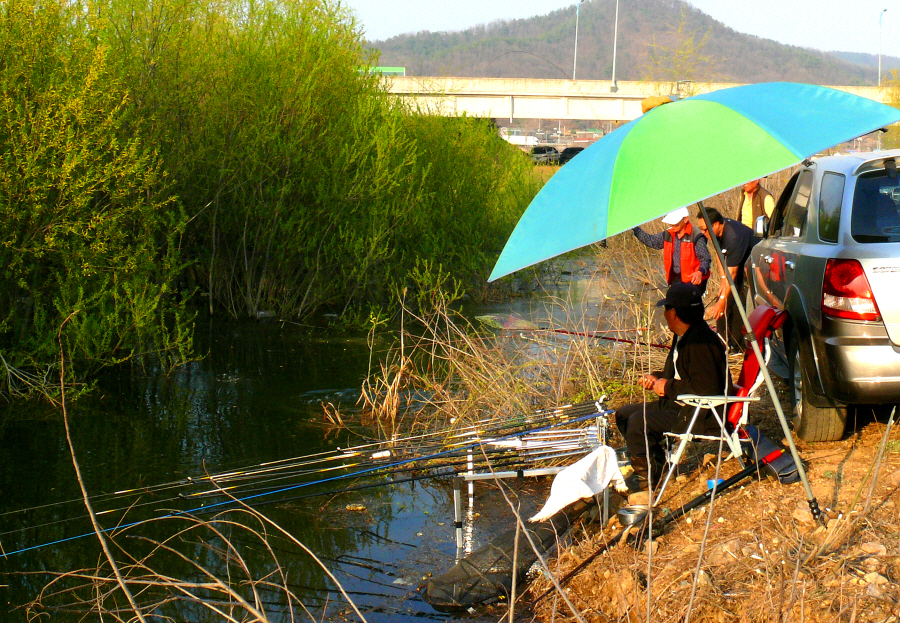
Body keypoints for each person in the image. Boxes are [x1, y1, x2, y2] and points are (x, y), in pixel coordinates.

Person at [615, 282, 732, 490]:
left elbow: (707, 387)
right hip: (681, 405)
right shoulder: (683, 336)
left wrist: (667, 387)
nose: (664, 314)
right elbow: (682, 374)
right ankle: (659, 465)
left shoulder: (700, 343)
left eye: (666, 309)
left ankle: (647, 481)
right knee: (624, 414)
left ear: (674, 313)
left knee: (638, 422)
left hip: (701, 414)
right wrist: (656, 378)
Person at [696, 207, 760, 352]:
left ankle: (737, 345)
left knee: (734, 301)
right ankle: (724, 341)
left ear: (716, 224)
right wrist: (722, 280)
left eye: (705, 229)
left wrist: (722, 300)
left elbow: (733, 272)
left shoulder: (734, 237)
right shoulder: (715, 234)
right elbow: (719, 255)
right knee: (725, 297)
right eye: (701, 230)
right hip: (737, 265)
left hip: (753, 267)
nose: (703, 233)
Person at [632, 207, 711, 294]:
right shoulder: (668, 234)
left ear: (685, 219)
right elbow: (652, 241)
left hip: (694, 281)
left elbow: (705, 259)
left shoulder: (696, 236)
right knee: (672, 300)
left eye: (675, 223)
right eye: (671, 223)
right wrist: (636, 229)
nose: (672, 225)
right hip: (676, 278)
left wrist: (700, 272)